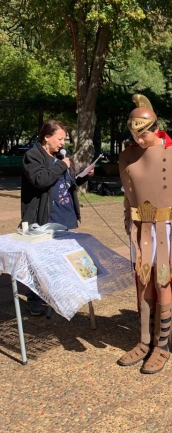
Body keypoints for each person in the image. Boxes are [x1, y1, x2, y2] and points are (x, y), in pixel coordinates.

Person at [117, 94, 172, 374]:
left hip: (166, 229)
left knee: (163, 282)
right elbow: (129, 196)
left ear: (154, 127)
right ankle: (144, 341)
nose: (140, 140)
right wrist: (129, 223)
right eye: (135, 134)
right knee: (143, 284)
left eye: (144, 134)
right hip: (140, 230)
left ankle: (161, 346)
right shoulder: (127, 156)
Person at [21, 120, 93, 315]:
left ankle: (57, 295)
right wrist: (62, 165)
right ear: (47, 137)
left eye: (64, 139)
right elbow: (41, 180)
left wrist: (84, 176)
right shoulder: (32, 156)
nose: (63, 143)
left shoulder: (62, 157)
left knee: (60, 260)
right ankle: (34, 299)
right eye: (60, 138)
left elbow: (67, 183)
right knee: (38, 261)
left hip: (64, 214)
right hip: (43, 218)